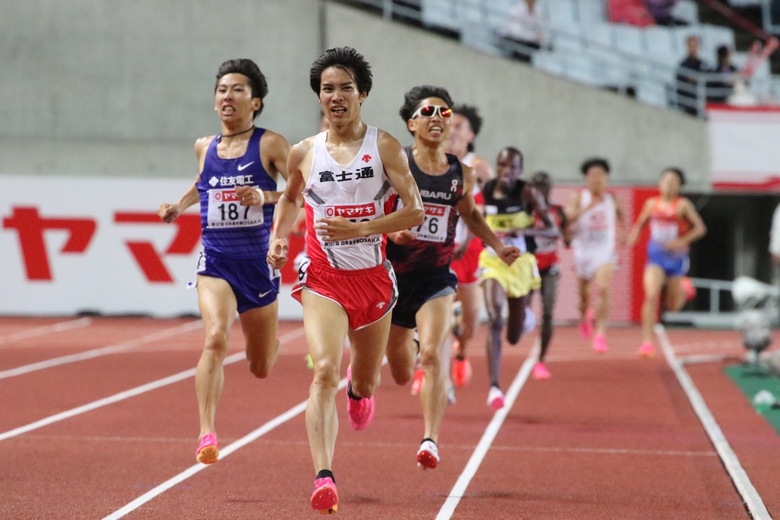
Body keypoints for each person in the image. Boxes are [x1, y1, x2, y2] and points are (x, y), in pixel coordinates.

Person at [266, 46, 424, 515]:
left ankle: (359, 393)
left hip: (373, 281)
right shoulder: (304, 152)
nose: (336, 96)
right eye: (327, 89)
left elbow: (413, 211)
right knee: (323, 371)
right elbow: (291, 199)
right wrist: (279, 237)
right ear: (319, 97)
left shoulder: (386, 146)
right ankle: (324, 476)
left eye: (345, 88)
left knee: (367, 380)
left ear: (363, 94)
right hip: (323, 279)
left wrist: (360, 229)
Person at [158, 59, 290, 465]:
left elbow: (297, 193)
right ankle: (206, 432)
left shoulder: (270, 144)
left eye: (237, 90)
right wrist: (178, 207)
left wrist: (265, 197)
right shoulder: (205, 146)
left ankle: (270, 344)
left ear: (256, 102)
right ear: (214, 101)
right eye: (222, 90)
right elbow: (204, 184)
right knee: (215, 337)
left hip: (257, 266)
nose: (227, 97)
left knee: (261, 365)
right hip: (215, 261)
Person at [384, 86, 520, 470]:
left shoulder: (462, 173)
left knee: (431, 351)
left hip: (436, 278)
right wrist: (390, 233)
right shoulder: (395, 164)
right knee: (398, 369)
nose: (439, 119)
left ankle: (430, 440)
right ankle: (368, 380)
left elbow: (472, 216)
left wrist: (497, 245)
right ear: (412, 123)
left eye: (445, 113)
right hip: (394, 277)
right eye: (429, 112)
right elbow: (372, 212)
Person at [480, 147, 554, 410]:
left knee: (512, 336)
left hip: (521, 264)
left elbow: (554, 230)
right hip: (493, 261)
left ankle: (524, 320)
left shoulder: (528, 193)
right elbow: (477, 220)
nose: (506, 172)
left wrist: (523, 229)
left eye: (512, 167)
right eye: (502, 165)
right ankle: (494, 386)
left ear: (520, 171)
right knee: (494, 317)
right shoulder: (487, 189)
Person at [627, 168, 706, 357]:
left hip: (676, 259)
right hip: (656, 257)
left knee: (672, 307)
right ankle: (646, 342)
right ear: (660, 183)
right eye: (666, 181)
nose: (669, 185)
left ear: (680, 186)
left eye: (674, 181)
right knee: (651, 295)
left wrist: (680, 242)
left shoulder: (683, 205)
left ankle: (685, 287)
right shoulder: (651, 204)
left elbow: (700, 229)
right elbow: (640, 224)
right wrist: (633, 237)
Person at [445, 104, 495, 390]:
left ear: (471, 135)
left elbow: (494, 206)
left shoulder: (479, 167)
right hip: (438, 247)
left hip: (471, 249)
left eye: (459, 126)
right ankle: (427, 368)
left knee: (471, 319)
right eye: (450, 124)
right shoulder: (433, 161)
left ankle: (462, 352)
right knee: (432, 314)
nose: (452, 130)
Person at [566, 157, 625, 354]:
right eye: (593, 176)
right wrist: (588, 207)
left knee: (603, 288)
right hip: (583, 251)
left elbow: (620, 215)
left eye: (601, 176)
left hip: (605, 252)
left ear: (607, 179)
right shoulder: (579, 197)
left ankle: (600, 334)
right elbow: (567, 217)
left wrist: (624, 233)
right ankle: (584, 316)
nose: (597, 180)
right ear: (586, 178)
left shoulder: (611, 199)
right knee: (584, 296)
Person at [528, 171, 569, 379]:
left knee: (548, 312)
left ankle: (541, 360)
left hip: (550, 267)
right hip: (528, 267)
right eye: (537, 187)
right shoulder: (526, 211)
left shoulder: (558, 212)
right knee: (523, 313)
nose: (541, 191)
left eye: (545, 187)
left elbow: (565, 238)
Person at [675, 35, 709, 116]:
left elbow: (708, 78)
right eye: (691, 45)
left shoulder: (703, 63)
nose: (693, 48)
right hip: (689, 102)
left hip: (703, 100)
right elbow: (682, 80)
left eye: (695, 45)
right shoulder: (683, 65)